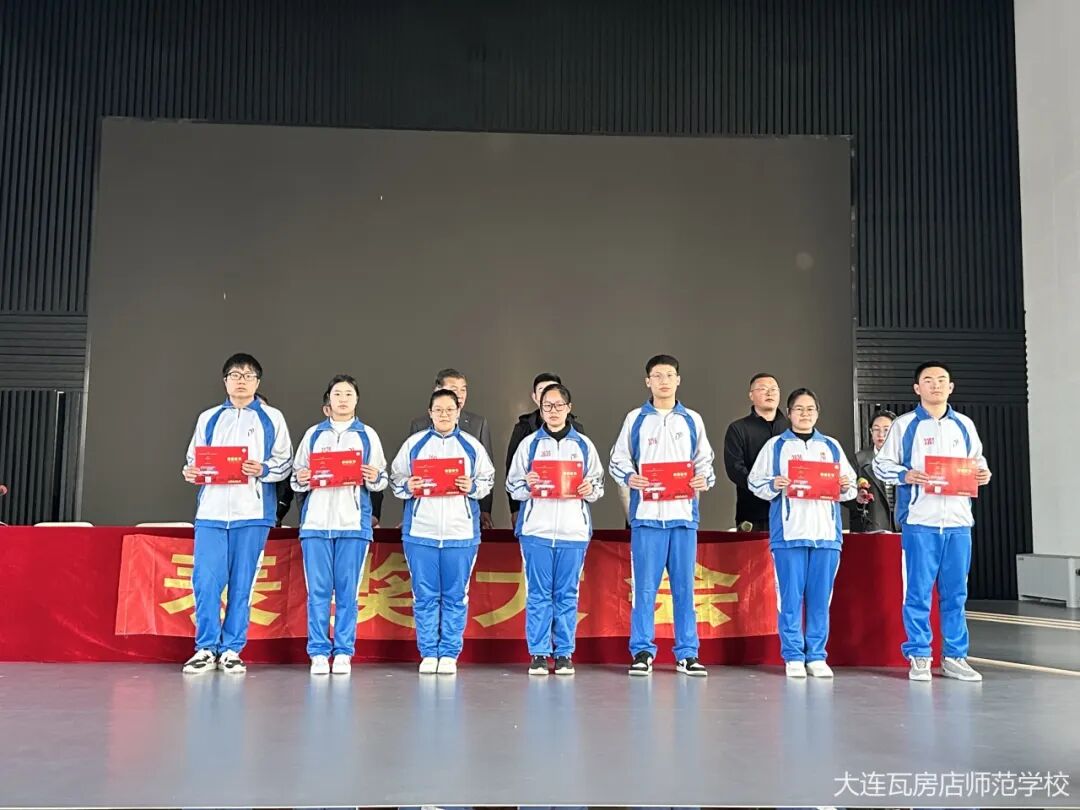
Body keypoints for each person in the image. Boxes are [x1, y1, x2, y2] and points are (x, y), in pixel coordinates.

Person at [874, 362, 992, 682]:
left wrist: (983, 473)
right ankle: (919, 654)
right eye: (928, 380)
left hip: (958, 521)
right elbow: (881, 465)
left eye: (942, 380)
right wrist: (905, 475)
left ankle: (954, 656)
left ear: (950, 387)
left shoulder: (964, 425)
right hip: (920, 521)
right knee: (918, 592)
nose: (936, 385)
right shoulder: (904, 425)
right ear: (917, 388)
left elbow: (977, 462)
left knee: (956, 594)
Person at [180, 353, 293, 675]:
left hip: (252, 511)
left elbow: (285, 462)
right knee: (205, 581)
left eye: (248, 375)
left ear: (257, 382)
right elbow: (194, 459)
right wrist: (191, 472)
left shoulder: (272, 417)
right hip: (212, 512)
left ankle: (231, 649)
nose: (241, 380)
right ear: (225, 381)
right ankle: (205, 647)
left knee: (243, 583)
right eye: (235, 375)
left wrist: (263, 469)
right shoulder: (209, 418)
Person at [609, 354, 716, 677]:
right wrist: (630, 477)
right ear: (648, 381)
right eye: (657, 376)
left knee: (685, 589)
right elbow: (618, 459)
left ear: (678, 380)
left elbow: (705, 461)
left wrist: (703, 479)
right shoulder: (635, 419)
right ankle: (642, 651)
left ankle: (687, 653)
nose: (664, 381)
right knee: (644, 589)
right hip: (647, 518)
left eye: (669, 375)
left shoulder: (692, 420)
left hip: (683, 517)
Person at [748, 388, 857, 678]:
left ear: (817, 413)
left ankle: (817, 655)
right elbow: (755, 483)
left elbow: (850, 488)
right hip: (789, 533)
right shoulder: (775, 446)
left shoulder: (831, 446)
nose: (805, 414)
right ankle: (794, 654)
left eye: (810, 409)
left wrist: (845, 486)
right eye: (799, 409)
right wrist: (774, 484)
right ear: (789, 413)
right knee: (790, 598)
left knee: (821, 599)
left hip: (826, 534)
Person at [390, 388, 495, 675]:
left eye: (450, 409)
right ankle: (428, 652)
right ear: (430, 413)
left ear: (459, 412)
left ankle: (449, 652)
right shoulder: (414, 444)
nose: (444, 414)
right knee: (424, 595)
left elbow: (487, 480)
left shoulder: (472, 446)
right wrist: (408, 486)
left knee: (455, 595)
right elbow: (395, 478)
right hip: (421, 532)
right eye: (438, 410)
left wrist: (472, 486)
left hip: (460, 533)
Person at [291, 375, 387, 676]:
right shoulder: (313, 435)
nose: (343, 399)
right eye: (337, 394)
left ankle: (344, 651)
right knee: (318, 591)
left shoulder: (367, 435)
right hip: (316, 524)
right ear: (328, 402)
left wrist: (373, 476)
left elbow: (382, 479)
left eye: (348, 394)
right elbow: (295, 477)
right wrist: (302, 477)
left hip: (352, 524)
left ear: (356, 400)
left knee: (348, 592)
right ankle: (319, 651)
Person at [506, 383, 604, 676]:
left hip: (573, 533)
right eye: (547, 406)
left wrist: (589, 488)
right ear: (540, 409)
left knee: (567, 594)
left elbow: (598, 486)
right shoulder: (529, 445)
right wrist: (527, 484)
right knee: (538, 594)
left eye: (559, 405)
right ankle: (538, 653)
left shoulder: (583, 445)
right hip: (536, 531)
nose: (553, 411)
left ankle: (564, 653)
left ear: (569, 408)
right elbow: (512, 485)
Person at [373, 368, 495, 529]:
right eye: (453, 389)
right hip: (424, 518)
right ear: (437, 391)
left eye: (463, 389)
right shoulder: (419, 427)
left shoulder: (478, 424)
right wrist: (409, 514)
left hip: (463, 519)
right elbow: (409, 471)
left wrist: (485, 510)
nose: (460, 394)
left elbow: (486, 472)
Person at [505, 372, 585, 525]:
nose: (548, 395)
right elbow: (512, 470)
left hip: (569, 514)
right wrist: (514, 508)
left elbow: (589, 474)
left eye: (552, 389)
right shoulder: (524, 429)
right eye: (542, 390)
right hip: (535, 513)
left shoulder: (578, 432)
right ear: (535, 397)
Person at [723, 373, 790, 531]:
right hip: (753, 512)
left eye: (774, 389)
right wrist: (764, 488)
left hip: (791, 511)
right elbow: (735, 469)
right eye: (763, 389)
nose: (769, 393)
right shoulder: (738, 428)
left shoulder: (792, 428)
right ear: (751, 395)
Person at [843, 409, 899, 532]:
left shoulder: (906, 460)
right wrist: (857, 498)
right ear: (870, 432)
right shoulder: (859, 460)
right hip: (870, 527)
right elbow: (844, 494)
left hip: (901, 527)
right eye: (876, 429)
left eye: (886, 429)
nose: (881, 434)